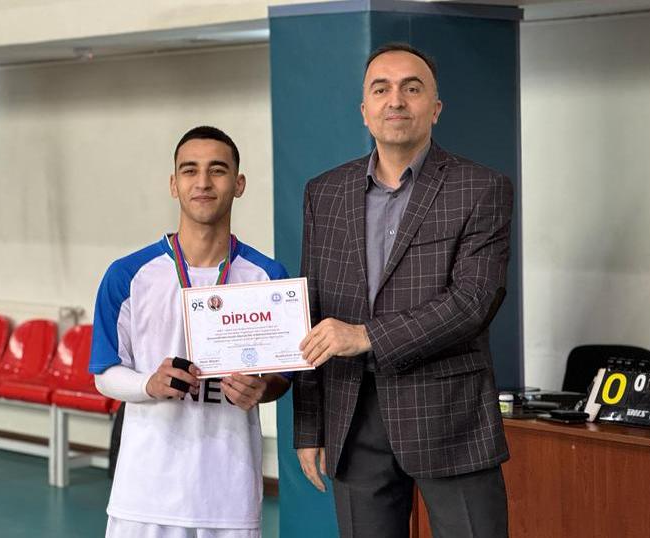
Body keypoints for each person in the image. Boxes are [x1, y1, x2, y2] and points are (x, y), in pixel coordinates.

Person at [294, 43, 514, 538]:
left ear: (435, 108)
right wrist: (309, 425)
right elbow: (312, 311)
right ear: (364, 110)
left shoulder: (480, 187)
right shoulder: (324, 192)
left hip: (449, 415)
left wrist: (366, 336)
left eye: (411, 88)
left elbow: (473, 302)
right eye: (381, 89)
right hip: (352, 416)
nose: (395, 100)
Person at [90, 126, 291, 538]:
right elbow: (104, 373)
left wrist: (261, 388)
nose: (202, 182)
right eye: (189, 170)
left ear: (239, 184)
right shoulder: (127, 275)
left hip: (228, 496)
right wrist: (148, 383)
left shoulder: (268, 277)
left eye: (217, 170)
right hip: (144, 494)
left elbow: (282, 377)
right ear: (173, 184)